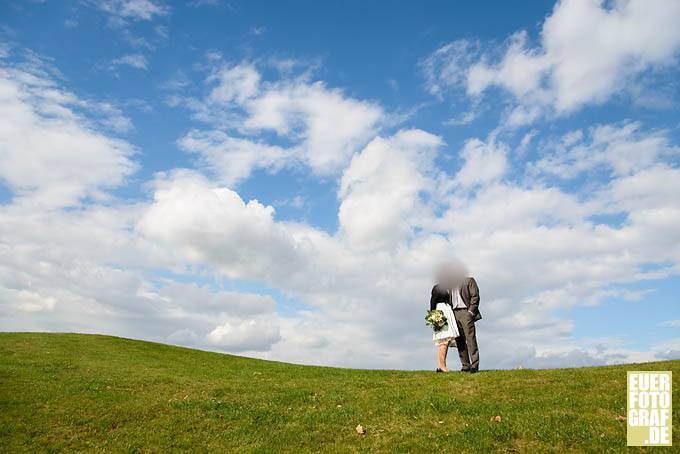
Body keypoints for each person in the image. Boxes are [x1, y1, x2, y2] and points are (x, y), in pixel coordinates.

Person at [430, 261, 482, 373]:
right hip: (453, 314)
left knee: (470, 339)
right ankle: (465, 365)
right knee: (459, 341)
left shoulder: (469, 280)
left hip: (466, 313)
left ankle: (474, 365)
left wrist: (471, 312)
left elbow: (475, 297)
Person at [430, 283, 459, 372]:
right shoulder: (437, 287)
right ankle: (442, 366)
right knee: (444, 341)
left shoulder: (449, 287)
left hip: (447, 312)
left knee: (446, 341)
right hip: (441, 312)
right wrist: (435, 316)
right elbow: (432, 302)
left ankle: (441, 366)